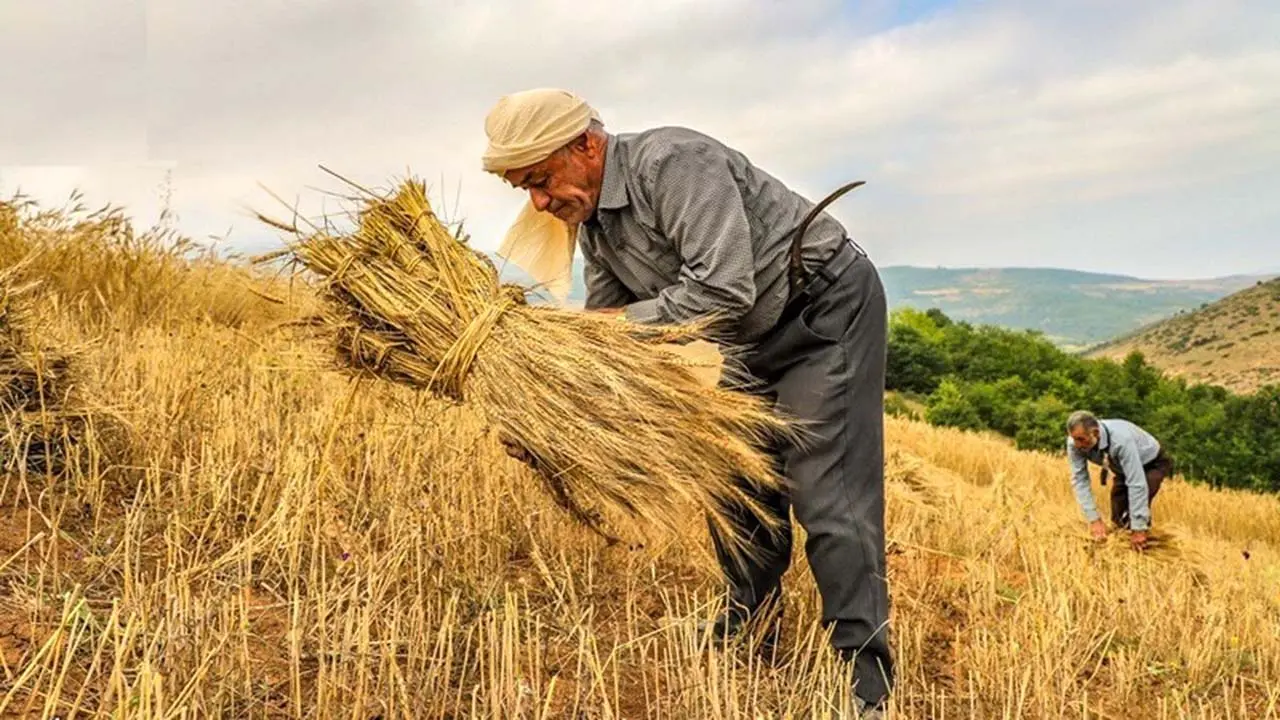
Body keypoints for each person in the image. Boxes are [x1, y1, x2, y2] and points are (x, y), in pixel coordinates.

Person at [480, 88, 893, 716]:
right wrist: (547, 401)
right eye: (525, 191)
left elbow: (723, 288)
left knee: (827, 492)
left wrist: (610, 330)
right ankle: (746, 628)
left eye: (541, 180)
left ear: (586, 146)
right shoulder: (597, 228)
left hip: (821, 310)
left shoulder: (673, 163)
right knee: (736, 482)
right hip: (747, 335)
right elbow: (610, 336)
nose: (539, 202)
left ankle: (865, 679)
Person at [1066, 410, 1175, 550]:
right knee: (1118, 512)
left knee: (1134, 509)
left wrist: (1138, 528)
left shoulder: (1121, 440)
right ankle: (1121, 551)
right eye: (1074, 439)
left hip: (1152, 463)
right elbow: (1079, 480)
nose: (1077, 445)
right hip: (1120, 466)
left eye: (1081, 439)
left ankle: (1144, 545)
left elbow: (1137, 484)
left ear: (1096, 433)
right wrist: (1094, 519)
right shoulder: (1074, 443)